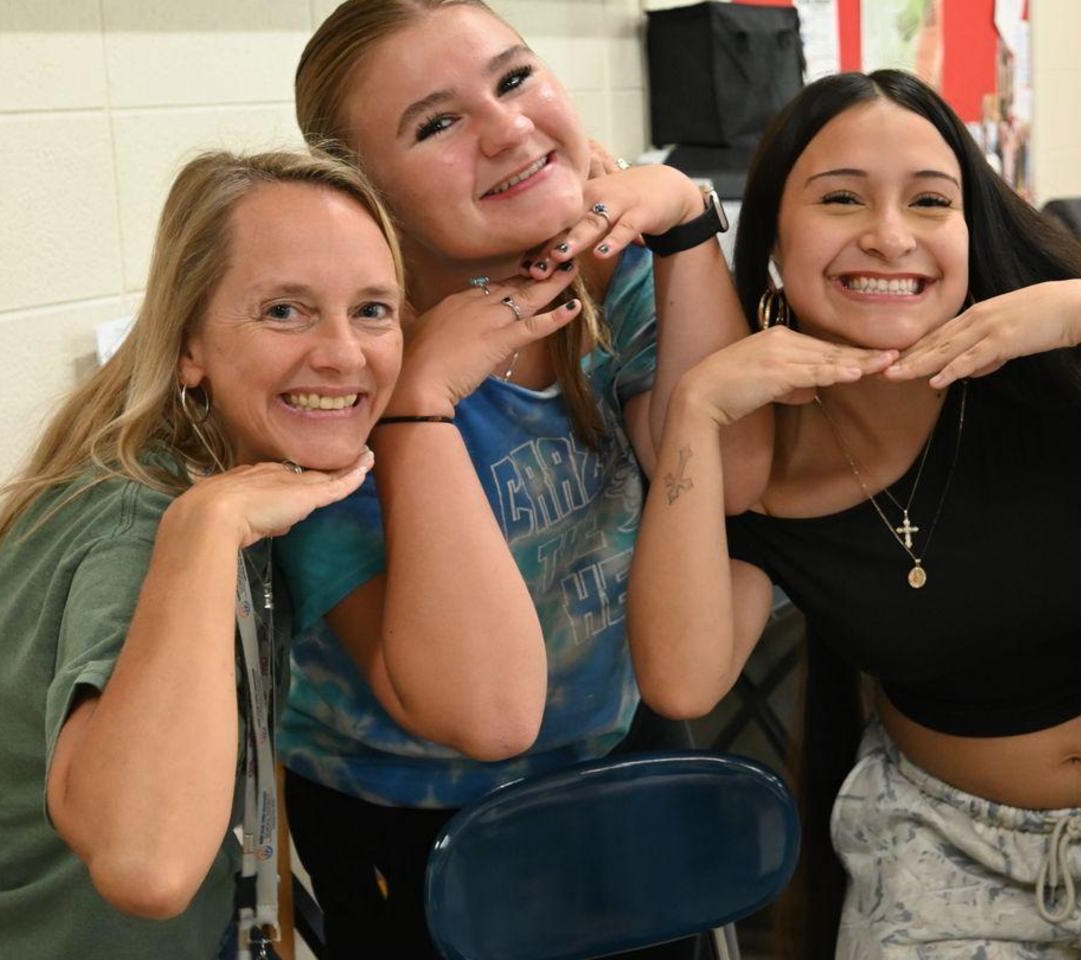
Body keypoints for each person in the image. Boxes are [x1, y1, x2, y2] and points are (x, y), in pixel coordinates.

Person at [628, 70, 1081, 959]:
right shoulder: (767, 465)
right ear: (777, 243)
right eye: (841, 198)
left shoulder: (1061, 388)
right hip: (941, 864)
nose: (891, 236)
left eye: (931, 201)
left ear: (973, 231)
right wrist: (698, 412)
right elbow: (681, 682)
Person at [274, 1, 767, 954]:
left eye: (513, 79)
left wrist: (686, 230)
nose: (508, 130)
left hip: (618, 762)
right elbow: (471, 712)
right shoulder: (335, 376)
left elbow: (727, 475)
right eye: (437, 123)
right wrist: (421, 391)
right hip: (412, 819)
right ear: (364, 191)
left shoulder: (615, 280)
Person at [0, 150, 405, 960]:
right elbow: (150, 867)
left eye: (373, 310)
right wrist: (205, 525)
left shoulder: (204, 466)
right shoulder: (149, 521)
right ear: (189, 344)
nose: (343, 354)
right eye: (284, 312)